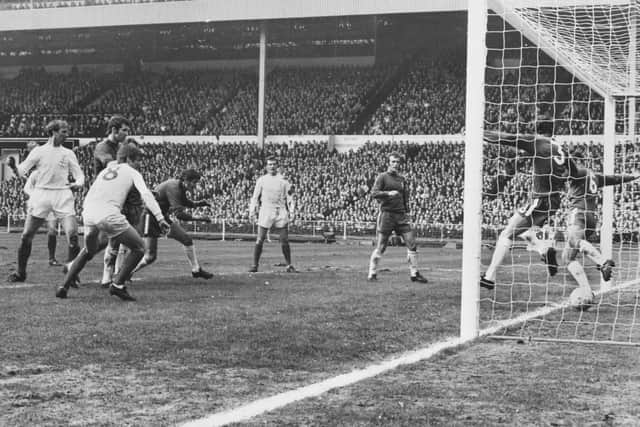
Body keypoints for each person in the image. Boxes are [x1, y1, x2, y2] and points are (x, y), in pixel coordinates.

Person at [56, 144, 169, 301]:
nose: (139, 164)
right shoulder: (132, 172)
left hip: (88, 213)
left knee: (88, 250)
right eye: (137, 160)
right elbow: (146, 195)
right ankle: (117, 285)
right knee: (140, 248)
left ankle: (63, 286)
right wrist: (160, 218)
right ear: (128, 159)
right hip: (108, 213)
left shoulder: (106, 171)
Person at [480, 120, 578, 290]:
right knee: (524, 229)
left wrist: (480, 133)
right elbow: (574, 173)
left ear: (537, 131)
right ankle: (544, 251)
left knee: (506, 234)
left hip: (540, 198)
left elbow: (508, 138)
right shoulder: (561, 148)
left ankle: (489, 277)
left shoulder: (537, 141)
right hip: (554, 200)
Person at [6, 120, 84, 283]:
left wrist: (77, 184)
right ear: (53, 132)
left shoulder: (68, 153)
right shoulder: (38, 151)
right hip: (41, 194)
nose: (67, 134)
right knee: (26, 235)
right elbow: (21, 171)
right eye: (63, 131)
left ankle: (71, 272)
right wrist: (13, 166)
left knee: (74, 236)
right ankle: (21, 273)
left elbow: (79, 175)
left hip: (62, 194)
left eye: (67, 131)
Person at [562, 152, 640, 291]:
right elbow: (614, 178)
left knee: (573, 240)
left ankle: (603, 262)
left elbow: (567, 162)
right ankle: (586, 290)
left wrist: (556, 147)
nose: (565, 171)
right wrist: (633, 176)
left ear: (578, 161)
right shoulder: (594, 176)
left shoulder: (577, 172)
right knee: (567, 257)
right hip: (591, 218)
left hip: (579, 213)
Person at [132, 169, 214, 279]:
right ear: (186, 180)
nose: (195, 185)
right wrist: (200, 219)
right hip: (150, 217)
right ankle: (126, 273)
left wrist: (199, 204)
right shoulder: (174, 188)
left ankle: (196, 270)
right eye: (194, 182)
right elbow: (179, 215)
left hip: (162, 217)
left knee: (187, 240)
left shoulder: (179, 187)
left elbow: (185, 202)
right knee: (150, 256)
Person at [92, 116, 141, 287]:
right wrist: (126, 163)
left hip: (121, 197)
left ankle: (117, 274)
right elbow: (109, 164)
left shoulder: (121, 146)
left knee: (119, 239)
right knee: (102, 242)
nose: (127, 134)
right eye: (125, 130)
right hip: (104, 197)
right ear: (114, 130)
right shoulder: (101, 147)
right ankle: (102, 274)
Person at [368, 152, 428, 283]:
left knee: (411, 243)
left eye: (397, 162)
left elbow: (405, 196)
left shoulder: (402, 179)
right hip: (387, 214)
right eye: (393, 161)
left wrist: (407, 211)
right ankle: (372, 272)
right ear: (388, 163)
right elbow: (374, 193)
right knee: (382, 246)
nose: (395, 164)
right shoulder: (382, 177)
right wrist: (388, 193)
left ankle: (414, 274)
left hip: (401, 215)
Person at [248, 156, 296, 273]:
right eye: (270, 164)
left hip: (280, 210)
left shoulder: (284, 180)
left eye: (274, 164)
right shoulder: (262, 180)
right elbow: (255, 197)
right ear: (266, 166)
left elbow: (290, 196)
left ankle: (289, 265)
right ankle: (255, 265)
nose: (272, 166)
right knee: (260, 239)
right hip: (266, 210)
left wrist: (292, 211)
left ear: (277, 166)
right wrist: (252, 211)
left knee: (284, 239)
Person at [23, 171, 62, 267]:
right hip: (36, 205)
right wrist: (36, 196)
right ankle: (24, 259)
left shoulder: (54, 174)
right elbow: (27, 188)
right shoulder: (35, 174)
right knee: (28, 234)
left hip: (50, 205)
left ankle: (52, 259)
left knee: (52, 230)